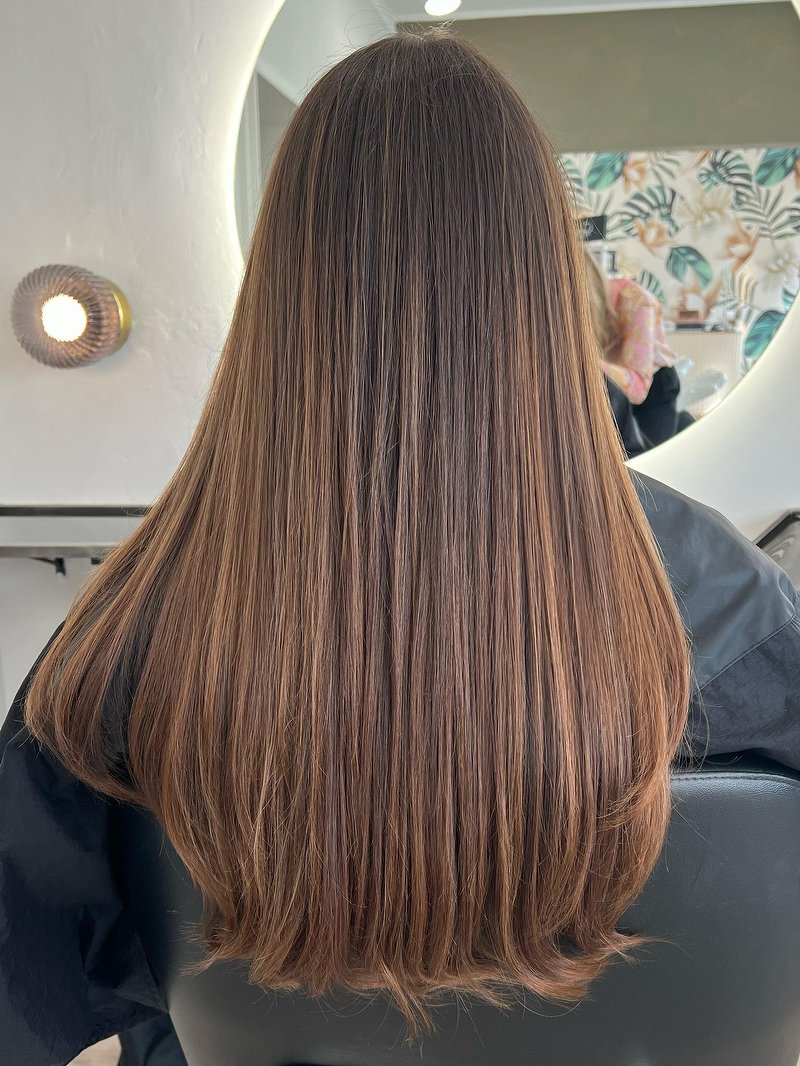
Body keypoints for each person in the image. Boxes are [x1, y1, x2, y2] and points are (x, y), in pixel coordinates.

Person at [1, 31, 799, 1066]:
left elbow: (30, 992)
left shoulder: (128, 629)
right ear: (538, 279)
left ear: (284, 285)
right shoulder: (731, 607)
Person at [584, 250, 690, 447]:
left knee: (646, 461)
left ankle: (683, 424)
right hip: (612, 389)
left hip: (653, 391)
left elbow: (638, 389)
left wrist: (582, 360)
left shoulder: (636, 301)